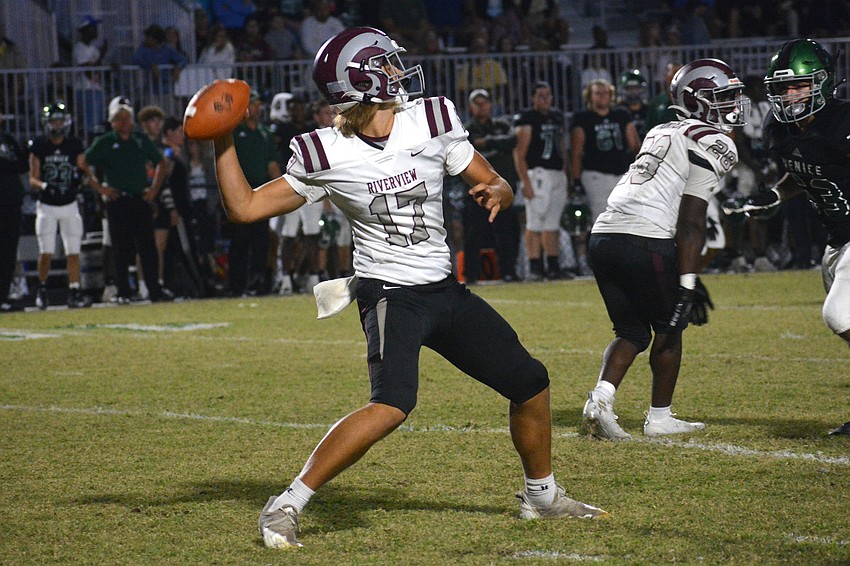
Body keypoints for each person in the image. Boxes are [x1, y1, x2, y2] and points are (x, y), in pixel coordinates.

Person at [209, 26, 607, 549]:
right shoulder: (325, 151)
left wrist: (501, 189)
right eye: (388, 65)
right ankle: (286, 503)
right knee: (393, 403)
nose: (399, 72)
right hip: (390, 294)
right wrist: (221, 137)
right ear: (363, 81)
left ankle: (542, 494)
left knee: (530, 382)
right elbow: (245, 207)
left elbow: (490, 178)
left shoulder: (432, 119)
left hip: (444, 288)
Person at [582, 58, 746, 439]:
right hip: (644, 237)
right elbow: (690, 222)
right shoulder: (713, 141)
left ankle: (599, 401)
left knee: (632, 331)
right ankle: (659, 418)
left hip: (604, 236)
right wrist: (687, 283)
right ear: (698, 100)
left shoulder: (662, 128)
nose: (732, 106)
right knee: (671, 329)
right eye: (723, 98)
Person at [724, 39, 850, 436]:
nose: (790, 94)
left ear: (824, 84)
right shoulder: (781, 127)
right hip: (837, 237)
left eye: (799, 85)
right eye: (783, 87)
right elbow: (801, 170)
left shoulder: (842, 122)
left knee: (838, 315)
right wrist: (774, 194)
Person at [81, 96, 171, 304]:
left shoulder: (140, 139)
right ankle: (123, 291)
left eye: (126, 117)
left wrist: (153, 190)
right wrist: (101, 188)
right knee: (121, 249)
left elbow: (161, 163)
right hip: (117, 200)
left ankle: (154, 289)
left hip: (140, 198)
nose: (123, 122)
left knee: (147, 247)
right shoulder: (104, 142)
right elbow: (83, 163)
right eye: (119, 118)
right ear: (112, 122)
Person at [570, 79, 641, 274]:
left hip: (622, 174)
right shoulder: (583, 118)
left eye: (605, 93)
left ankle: (620, 260)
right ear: (589, 96)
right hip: (595, 175)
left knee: (625, 219)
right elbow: (576, 152)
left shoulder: (621, 115)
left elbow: (634, 145)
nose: (602, 96)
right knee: (600, 220)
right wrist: (575, 181)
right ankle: (593, 261)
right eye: (597, 93)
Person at [28, 102, 94, 309]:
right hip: (47, 205)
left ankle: (74, 291)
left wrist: (81, 177)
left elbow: (84, 170)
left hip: (69, 203)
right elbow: (32, 178)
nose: (57, 125)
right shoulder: (39, 145)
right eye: (54, 120)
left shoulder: (74, 144)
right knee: (46, 251)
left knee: (73, 251)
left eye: (60, 120)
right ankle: (42, 288)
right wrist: (46, 186)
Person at [512, 81, 569, 281]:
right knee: (535, 222)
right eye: (541, 96)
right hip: (537, 173)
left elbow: (562, 145)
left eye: (548, 95)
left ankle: (553, 266)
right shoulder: (526, 119)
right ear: (533, 98)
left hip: (556, 173)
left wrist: (565, 171)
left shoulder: (556, 116)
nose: (545, 100)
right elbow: (519, 153)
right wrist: (525, 182)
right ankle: (535, 266)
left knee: (552, 222)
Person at [463, 88, 520, 283]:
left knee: (507, 234)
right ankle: (470, 275)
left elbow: (512, 140)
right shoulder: (465, 129)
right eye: (477, 103)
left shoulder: (502, 125)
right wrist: (496, 147)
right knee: (474, 235)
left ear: (490, 105)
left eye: (484, 103)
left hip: (502, 190)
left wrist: (484, 143)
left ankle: (509, 272)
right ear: (470, 107)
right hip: (477, 193)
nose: (481, 107)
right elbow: (466, 148)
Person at [227, 90, 280, 296]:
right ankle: (237, 285)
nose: (256, 108)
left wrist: (278, 193)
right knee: (239, 240)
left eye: (257, 104)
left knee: (261, 242)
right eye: (252, 104)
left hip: (262, 194)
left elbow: (272, 165)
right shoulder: (234, 133)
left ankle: (258, 283)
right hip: (240, 193)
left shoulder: (265, 134)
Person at [0, 115, 28, 313]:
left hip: (11, 202)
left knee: (8, 253)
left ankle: (3, 296)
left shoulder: (8, 140)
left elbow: (23, 165)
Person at [72, 16, 108, 137]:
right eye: (93, 28)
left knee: (98, 123)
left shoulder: (93, 49)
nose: (96, 31)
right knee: (90, 125)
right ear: (85, 30)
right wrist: (102, 54)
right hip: (85, 90)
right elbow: (88, 71)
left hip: (95, 89)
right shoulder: (79, 48)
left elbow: (99, 68)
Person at [618, 69, 650, 141]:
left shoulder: (648, 109)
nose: (633, 92)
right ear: (624, 90)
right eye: (629, 88)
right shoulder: (618, 111)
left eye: (636, 88)